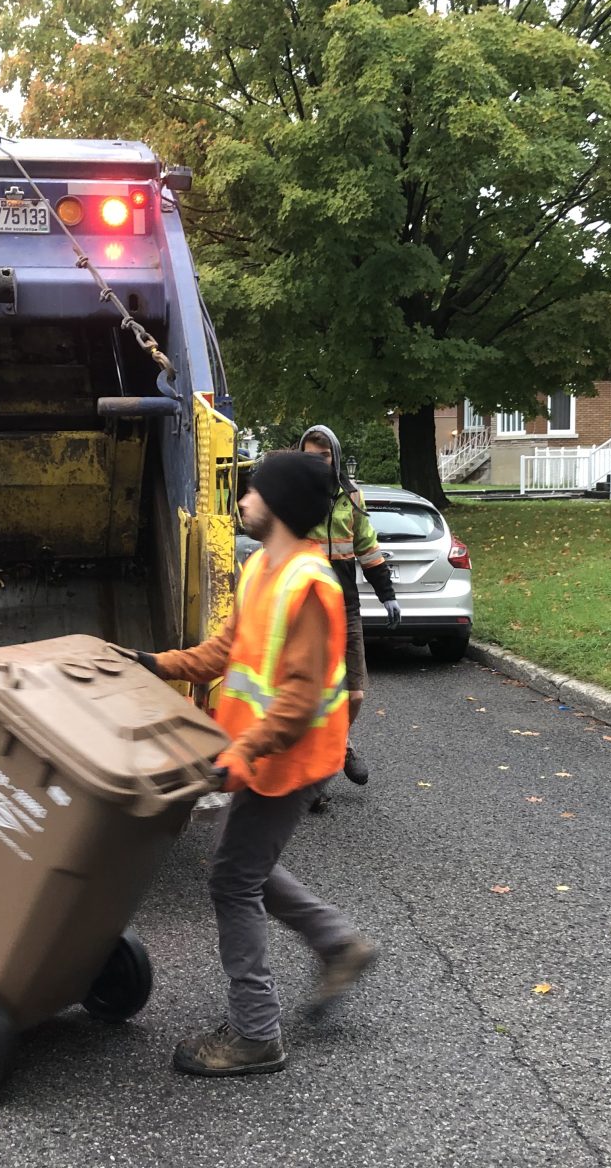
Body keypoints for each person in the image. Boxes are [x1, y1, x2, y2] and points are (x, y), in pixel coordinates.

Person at [124, 451, 378, 1077]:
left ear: (282, 504)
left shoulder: (312, 586)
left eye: (253, 490)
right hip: (265, 756)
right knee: (246, 867)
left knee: (232, 879)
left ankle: (256, 1033)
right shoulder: (262, 566)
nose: (242, 499)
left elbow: (298, 698)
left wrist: (239, 755)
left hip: (289, 759)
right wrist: (158, 663)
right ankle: (338, 944)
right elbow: (227, 648)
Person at [298, 425, 400, 791]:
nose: (318, 463)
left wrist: (387, 594)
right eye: (311, 457)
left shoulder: (351, 496)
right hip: (305, 609)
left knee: (354, 693)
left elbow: (367, 549)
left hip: (345, 606)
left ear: (335, 457)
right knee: (313, 694)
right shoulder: (295, 496)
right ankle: (314, 773)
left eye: (324, 457)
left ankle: (340, 742)